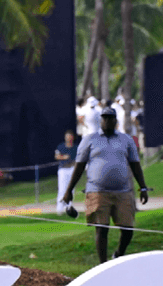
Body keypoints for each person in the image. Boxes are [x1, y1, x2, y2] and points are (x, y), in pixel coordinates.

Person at [62, 108, 149, 265]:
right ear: (100, 120)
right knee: (101, 228)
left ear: (116, 120)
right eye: (104, 118)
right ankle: (103, 265)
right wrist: (69, 190)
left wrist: (143, 187)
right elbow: (79, 167)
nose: (107, 121)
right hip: (97, 191)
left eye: (110, 118)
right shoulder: (89, 140)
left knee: (128, 229)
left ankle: (119, 254)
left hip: (123, 191)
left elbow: (135, 165)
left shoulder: (126, 140)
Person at [53, 131, 78, 206]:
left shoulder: (76, 147)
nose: (68, 138)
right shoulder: (61, 146)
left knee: (71, 189)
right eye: (67, 136)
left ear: (72, 137)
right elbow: (56, 156)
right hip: (63, 169)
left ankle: (68, 206)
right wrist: (64, 157)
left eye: (70, 136)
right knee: (62, 188)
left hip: (72, 169)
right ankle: (60, 207)